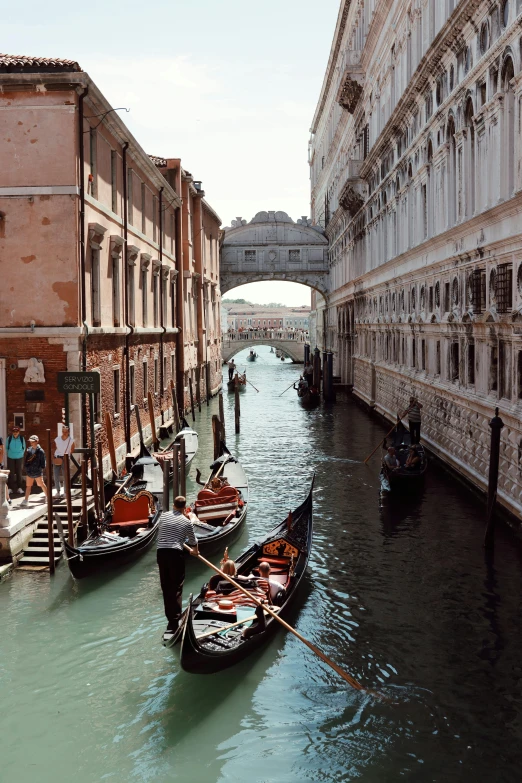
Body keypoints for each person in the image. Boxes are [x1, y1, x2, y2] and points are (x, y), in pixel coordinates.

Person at [157, 495, 199, 632]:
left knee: (166, 586)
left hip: (161, 553)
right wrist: (195, 552)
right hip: (175, 554)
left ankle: (170, 620)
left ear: (173, 505)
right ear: (185, 508)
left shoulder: (163, 516)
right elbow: (193, 542)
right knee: (176, 587)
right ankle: (175, 621)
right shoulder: (186, 522)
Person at [21, 435, 47, 507]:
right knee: (28, 486)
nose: (31, 443)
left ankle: (48, 497)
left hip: (37, 471)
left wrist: (41, 468)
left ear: (36, 441)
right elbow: (26, 460)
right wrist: (26, 467)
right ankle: (26, 500)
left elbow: (43, 461)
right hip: (29, 470)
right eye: (30, 442)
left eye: (32, 441)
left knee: (41, 484)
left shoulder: (41, 451)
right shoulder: (29, 450)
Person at [53, 424, 75, 498]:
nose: (64, 433)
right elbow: (54, 448)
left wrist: (68, 455)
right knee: (56, 475)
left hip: (65, 458)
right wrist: (54, 457)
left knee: (65, 476)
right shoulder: (57, 439)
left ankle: (65, 491)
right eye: (63, 432)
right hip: (58, 458)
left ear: (68, 432)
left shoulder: (71, 440)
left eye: (66, 432)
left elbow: (72, 449)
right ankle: (58, 491)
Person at [6, 425, 25, 495]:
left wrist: (20, 454)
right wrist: (10, 454)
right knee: (11, 473)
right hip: (11, 457)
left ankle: (19, 488)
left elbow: (24, 447)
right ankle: (10, 488)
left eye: (16, 431)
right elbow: (6, 447)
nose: (15, 433)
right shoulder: (9, 438)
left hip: (19, 457)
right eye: (14, 431)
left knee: (19, 473)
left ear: (19, 432)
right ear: (12, 432)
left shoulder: (21, 438)